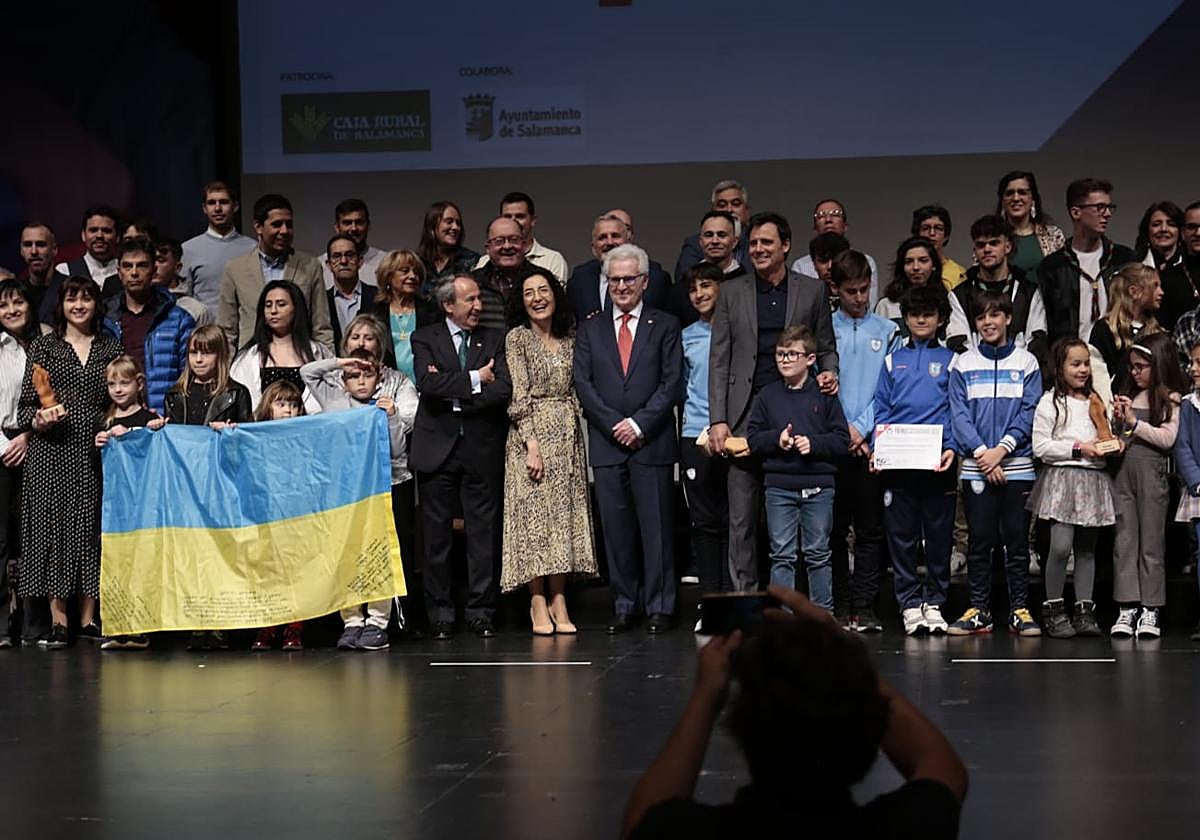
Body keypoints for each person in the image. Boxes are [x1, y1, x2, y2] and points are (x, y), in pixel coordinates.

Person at [621, 585, 967, 840]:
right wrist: (844, 655)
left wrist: (706, 695)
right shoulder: (901, 829)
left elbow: (640, 819)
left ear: (744, 728)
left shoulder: (702, 833)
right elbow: (943, 766)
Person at [708, 211, 839, 594]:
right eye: (753, 244)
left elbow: (826, 348)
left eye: (767, 242)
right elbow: (719, 359)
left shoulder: (812, 291)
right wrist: (719, 420)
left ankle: (799, 604)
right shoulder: (732, 291)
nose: (759, 249)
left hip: (799, 411)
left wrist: (828, 374)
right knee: (742, 520)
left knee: (801, 526)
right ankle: (746, 600)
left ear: (785, 245)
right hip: (745, 414)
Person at [574, 244, 682, 633]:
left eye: (628, 279)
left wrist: (638, 424)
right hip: (606, 444)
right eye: (614, 279)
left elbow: (671, 382)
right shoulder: (589, 328)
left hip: (651, 442)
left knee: (656, 530)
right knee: (616, 530)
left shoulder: (665, 325)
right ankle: (624, 603)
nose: (621, 286)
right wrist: (614, 423)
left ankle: (659, 605)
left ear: (644, 282)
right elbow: (583, 384)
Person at [18, 276, 123, 648]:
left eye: (87, 298)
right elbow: (25, 406)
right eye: (72, 298)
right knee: (52, 528)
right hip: (51, 450)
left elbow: (119, 398)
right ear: (60, 304)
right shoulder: (44, 347)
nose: (79, 305)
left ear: (97, 304)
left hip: (94, 448)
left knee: (90, 528)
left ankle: (89, 619)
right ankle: (59, 620)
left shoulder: (111, 347)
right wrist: (39, 419)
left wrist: (118, 426)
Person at [411, 274, 512, 639]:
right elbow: (426, 384)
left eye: (479, 299)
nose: (478, 306)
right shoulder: (424, 337)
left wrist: (453, 389)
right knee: (436, 538)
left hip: (481, 448)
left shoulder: (495, 339)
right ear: (448, 305)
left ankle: (481, 610)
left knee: (482, 536)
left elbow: (502, 389)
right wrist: (474, 378)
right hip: (437, 449)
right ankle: (440, 613)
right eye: (469, 300)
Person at [301, 349, 417, 651]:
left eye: (367, 373)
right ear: (344, 379)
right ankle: (352, 620)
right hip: (343, 496)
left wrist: (391, 417)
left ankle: (378, 622)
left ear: (379, 378)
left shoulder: (381, 408)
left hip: (377, 496)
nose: (361, 380)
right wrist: (343, 362)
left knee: (377, 556)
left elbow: (396, 451)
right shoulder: (334, 401)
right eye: (354, 375)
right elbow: (307, 372)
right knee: (345, 555)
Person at [501, 272, 596, 635]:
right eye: (529, 293)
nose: (537, 298)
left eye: (543, 290)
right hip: (531, 439)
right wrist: (533, 445)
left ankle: (560, 598)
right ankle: (537, 599)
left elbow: (576, 391)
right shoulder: (518, 339)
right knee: (534, 523)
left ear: (555, 296)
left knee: (562, 521)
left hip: (568, 439)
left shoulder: (570, 341)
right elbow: (519, 396)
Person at [947, 291, 1042, 637]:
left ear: (1007, 319)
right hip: (976, 466)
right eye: (981, 317)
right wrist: (984, 455)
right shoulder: (963, 363)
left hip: (1016, 465)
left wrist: (1000, 451)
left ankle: (1020, 608)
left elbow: (1029, 411)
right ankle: (979, 609)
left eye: (995, 315)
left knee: (1016, 541)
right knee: (979, 541)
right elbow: (958, 416)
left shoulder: (1027, 362)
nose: (988, 322)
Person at [871, 285, 957, 636]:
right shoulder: (892, 361)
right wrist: (880, 448)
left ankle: (934, 603)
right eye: (914, 314)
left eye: (929, 314)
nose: (921, 319)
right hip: (899, 461)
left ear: (940, 319)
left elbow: (956, 409)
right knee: (902, 537)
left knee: (938, 537)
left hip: (938, 462)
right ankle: (908, 603)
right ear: (904, 319)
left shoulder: (952, 361)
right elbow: (881, 408)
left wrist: (951, 445)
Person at [747, 326, 848, 610]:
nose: (785, 359)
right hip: (779, 487)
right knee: (782, 555)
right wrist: (776, 439)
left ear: (811, 358)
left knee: (817, 553)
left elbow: (841, 439)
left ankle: (821, 616)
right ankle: (784, 618)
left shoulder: (825, 394)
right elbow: (753, 437)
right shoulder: (768, 395)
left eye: (792, 353)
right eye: (780, 354)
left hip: (818, 487)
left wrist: (813, 444)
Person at [1027, 338, 1117, 639]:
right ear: (1059, 367)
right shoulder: (1051, 401)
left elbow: (1107, 435)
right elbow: (1041, 446)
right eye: (1075, 364)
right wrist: (1079, 448)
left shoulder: (1097, 400)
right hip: (1064, 479)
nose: (1082, 369)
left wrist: (1112, 444)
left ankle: (1084, 609)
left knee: (1086, 550)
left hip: (1093, 480)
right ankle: (1053, 607)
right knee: (1061, 547)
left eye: (1085, 364)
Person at [828, 251, 897, 629]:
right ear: (835, 290)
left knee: (870, 530)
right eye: (851, 291)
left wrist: (862, 429)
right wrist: (844, 429)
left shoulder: (886, 332)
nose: (859, 297)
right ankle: (839, 603)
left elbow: (888, 391)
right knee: (834, 530)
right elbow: (823, 386)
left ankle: (866, 606)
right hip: (835, 443)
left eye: (865, 289)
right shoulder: (826, 330)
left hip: (870, 444)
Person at [1109, 332, 1184, 639]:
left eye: (1142, 366)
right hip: (1123, 473)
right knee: (1124, 541)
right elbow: (1119, 439)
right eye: (1133, 367)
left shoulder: (1170, 399)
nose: (1135, 372)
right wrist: (1117, 421)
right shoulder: (1130, 394)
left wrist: (1134, 424)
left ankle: (1151, 608)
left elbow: (1167, 439)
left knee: (1151, 543)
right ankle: (1127, 605)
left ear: (1159, 365)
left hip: (1152, 474)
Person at [93, 355, 165, 651]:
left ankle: (141, 627)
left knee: (142, 564)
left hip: (144, 507)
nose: (118, 389)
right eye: (112, 384)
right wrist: (101, 441)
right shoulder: (107, 420)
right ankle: (119, 626)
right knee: (116, 563)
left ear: (139, 384)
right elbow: (100, 464)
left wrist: (153, 431)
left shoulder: (149, 419)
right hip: (117, 510)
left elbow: (158, 453)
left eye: (124, 383)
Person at [217, 193, 334, 353]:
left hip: (298, 359)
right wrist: (227, 373)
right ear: (258, 227)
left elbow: (321, 326)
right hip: (251, 362)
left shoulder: (310, 266)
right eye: (277, 224)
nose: (284, 231)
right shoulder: (235, 269)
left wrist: (328, 368)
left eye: (289, 224)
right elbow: (227, 329)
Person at [0, 279, 50, 648]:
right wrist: (7, 445)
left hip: (39, 443)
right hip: (2, 446)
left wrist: (28, 439)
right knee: (2, 539)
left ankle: (36, 622)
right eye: (4, 305)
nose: (12, 310)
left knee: (35, 535)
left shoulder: (45, 344)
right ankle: (3, 624)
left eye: (18, 302)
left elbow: (51, 399)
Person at [680, 264, 731, 606]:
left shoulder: (741, 332)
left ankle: (735, 594)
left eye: (707, 285)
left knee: (734, 519)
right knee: (705, 520)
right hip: (694, 434)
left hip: (732, 433)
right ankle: (711, 597)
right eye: (693, 288)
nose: (699, 293)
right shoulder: (685, 336)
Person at [1037, 178, 1136, 350]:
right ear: (1076, 212)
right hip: (1070, 361)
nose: (1107, 214)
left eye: (1109, 207)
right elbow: (1048, 324)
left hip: (1118, 358)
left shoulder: (1123, 260)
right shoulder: (1053, 267)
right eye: (1099, 207)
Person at [246, 381, 308, 652]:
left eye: (293, 405)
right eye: (281, 404)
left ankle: (294, 628)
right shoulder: (254, 436)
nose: (287, 411)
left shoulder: (304, 437)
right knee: (267, 571)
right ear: (268, 407)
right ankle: (268, 626)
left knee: (294, 571)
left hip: (295, 515)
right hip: (265, 515)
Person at [107, 238, 195, 413]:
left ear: (153, 270)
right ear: (119, 272)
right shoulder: (106, 320)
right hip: (117, 419)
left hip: (166, 418)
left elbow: (190, 379)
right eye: (127, 266)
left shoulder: (179, 320)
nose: (134, 272)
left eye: (142, 266)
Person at [946, 215, 1047, 363]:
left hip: (1019, 377)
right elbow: (956, 342)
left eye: (994, 243)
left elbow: (1038, 340)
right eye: (981, 245)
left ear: (1007, 247)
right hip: (976, 379)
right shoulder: (960, 295)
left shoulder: (1029, 292)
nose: (987, 249)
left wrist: (1010, 368)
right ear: (974, 251)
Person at [230, 280, 332, 416]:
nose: (273, 311)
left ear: (296, 309)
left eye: (281, 304)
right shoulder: (248, 358)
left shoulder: (319, 353)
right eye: (268, 305)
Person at [567, 213, 672, 318]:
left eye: (615, 236)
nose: (609, 242)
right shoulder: (579, 280)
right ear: (594, 248)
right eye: (602, 237)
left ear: (628, 241)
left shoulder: (656, 277)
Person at [181, 181, 259, 314]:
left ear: (235, 206)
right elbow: (184, 300)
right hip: (203, 330)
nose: (217, 208)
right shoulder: (188, 249)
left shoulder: (253, 248)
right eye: (211, 203)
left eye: (223, 202)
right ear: (204, 208)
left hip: (244, 330)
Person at [163, 324, 255, 430]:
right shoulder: (174, 394)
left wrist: (230, 433)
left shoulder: (236, 394)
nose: (198, 359)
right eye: (193, 353)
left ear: (220, 355)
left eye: (206, 353)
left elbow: (247, 438)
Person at [1088, 263, 1163, 389]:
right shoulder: (1105, 329)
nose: (1161, 292)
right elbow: (1098, 373)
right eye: (1155, 286)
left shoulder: (1156, 329)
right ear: (1134, 291)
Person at [793, 199, 881, 305]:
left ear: (845, 226)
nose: (828, 220)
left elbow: (868, 306)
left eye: (835, 214)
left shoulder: (865, 261)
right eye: (821, 216)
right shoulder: (801, 266)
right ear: (815, 229)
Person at [43, 206, 124, 320]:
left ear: (117, 237)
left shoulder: (127, 271)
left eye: (106, 231)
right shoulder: (64, 271)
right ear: (83, 235)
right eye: (93, 230)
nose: (99, 236)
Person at [474, 191, 568, 283]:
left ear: (533, 220)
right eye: (507, 216)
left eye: (520, 216)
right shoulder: (484, 262)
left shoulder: (552, 260)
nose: (513, 221)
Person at [1172, 338, 1200, 641]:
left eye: (1198, 363)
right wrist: (1197, 481)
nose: (1193, 369)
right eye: (1192, 362)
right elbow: (1183, 447)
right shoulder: (1189, 406)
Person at [370, 249, 430, 380]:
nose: (412, 276)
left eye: (416, 272)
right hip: (385, 384)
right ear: (388, 276)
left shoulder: (431, 311)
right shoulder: (373, 312)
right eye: (405, 271)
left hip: (424, 386)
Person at [674, 179, 751, 280]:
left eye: (736, 204)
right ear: (713, 211)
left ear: (747, 210)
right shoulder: (694, 244)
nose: (729, 210)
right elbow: (685, 280)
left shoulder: (756, 242)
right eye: (722, 205)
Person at [996, 170, 1066, 279]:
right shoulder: (992, 238)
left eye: (1022, 192)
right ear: (1002, 201)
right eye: (1009, 193)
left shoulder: (1052, 235)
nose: (1015, 198)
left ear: (1032, 198)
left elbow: (1064, 277)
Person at [1135, 201, 1193, 329]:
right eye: (1156, 224)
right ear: (1147, 230)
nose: (1163, 229)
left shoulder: (1192, 267)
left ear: (1181, 231)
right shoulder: (1134, 265)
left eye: (1171, 224)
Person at [472, 216, 536, 333]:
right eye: (499, 241)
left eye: (514, 240)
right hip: (487, 351)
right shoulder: (473, 283)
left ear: (523, 244)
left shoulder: (541, 280)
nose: (507, 246)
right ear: (488, 248)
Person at [876, 236, 946, 330]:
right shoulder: (887, 305)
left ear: (934, 265)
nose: (916, 267)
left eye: (923, 260)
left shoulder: (946, 301)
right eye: (909, 261)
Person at [318, 198, 386, 291]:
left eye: (359, 222)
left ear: (368, 225)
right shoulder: (319, 266)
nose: (354, 228)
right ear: (337, 227)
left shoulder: (385, 262)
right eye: (347, 223)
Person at [324, 233, 378, 350]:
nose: (343, 261)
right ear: (328, 265)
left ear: (360, 261)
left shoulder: (379, 297)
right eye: (337, 256)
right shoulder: (321, 302)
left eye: (350, 255)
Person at [416, 200, 479, 292]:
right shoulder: (417, 262)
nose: (455, 227)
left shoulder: (471, 260)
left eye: (458, 223)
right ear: (432, 226)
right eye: (449, 222)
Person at [152, 236, 210, 327]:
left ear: (177, 267)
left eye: (161, 260)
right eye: (151, 261)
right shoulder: (137, 306)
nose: (154, 266)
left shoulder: (195, 310)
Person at [911, 205, 967, 291]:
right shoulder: (910, 269)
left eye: (938, 228)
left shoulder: (959, 274)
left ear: (946, 236)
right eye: (926, 228)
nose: (932, 233)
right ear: (917, 234)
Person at [17, 222, 58, 322]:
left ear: (54, 250)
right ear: (21, 251)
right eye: (27, 245)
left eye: (41, 244)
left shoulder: (70, 289)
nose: (34, 251)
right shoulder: (16, 291)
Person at [807, 232, 850, 309]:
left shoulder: (857, 297)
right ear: (814, 263)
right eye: (823, 261)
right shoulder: (805, 299)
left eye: (835, 259)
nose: (830, 266)